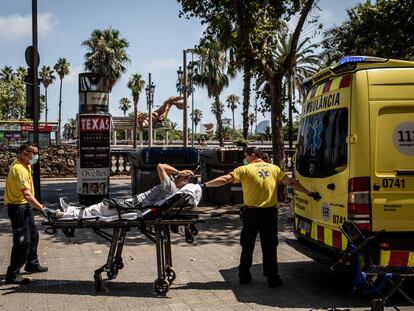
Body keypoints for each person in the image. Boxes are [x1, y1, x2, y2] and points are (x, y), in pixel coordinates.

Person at [201, 147, 321, 287]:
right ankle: (272, 278)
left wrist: (204, 185)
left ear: (252, 155)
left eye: (246, 156)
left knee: (247, 245)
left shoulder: (244, 170)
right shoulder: (274, 169)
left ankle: (244, 276)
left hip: (250, 214)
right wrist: (308, 192)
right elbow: (291, 183)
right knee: (270, 246)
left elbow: (224, 180)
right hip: (269, 214)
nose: (245, 160)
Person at [53, 163, 200, 219]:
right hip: (133, 204)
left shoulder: (171, 187)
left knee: (99, 210)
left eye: (183, 176)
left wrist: (179, 170)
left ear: (185, 181)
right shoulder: (172, 187)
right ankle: (70, 210)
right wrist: (181, 173)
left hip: (132, 207)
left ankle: (64, 214)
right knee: (98, 208)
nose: (179, 175)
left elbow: (161, 166)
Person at [4, 143, 48, 285]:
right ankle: (13, 274)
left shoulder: (25, 164)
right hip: (18, 208)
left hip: (25, 207)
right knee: (23, 241)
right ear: (24, 153)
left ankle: (32, 263)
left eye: (36, 153)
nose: (36, 156)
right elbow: (27, 195)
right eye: (33, 153)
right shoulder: (19, 169)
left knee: (33, 235)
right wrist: (43, 209)